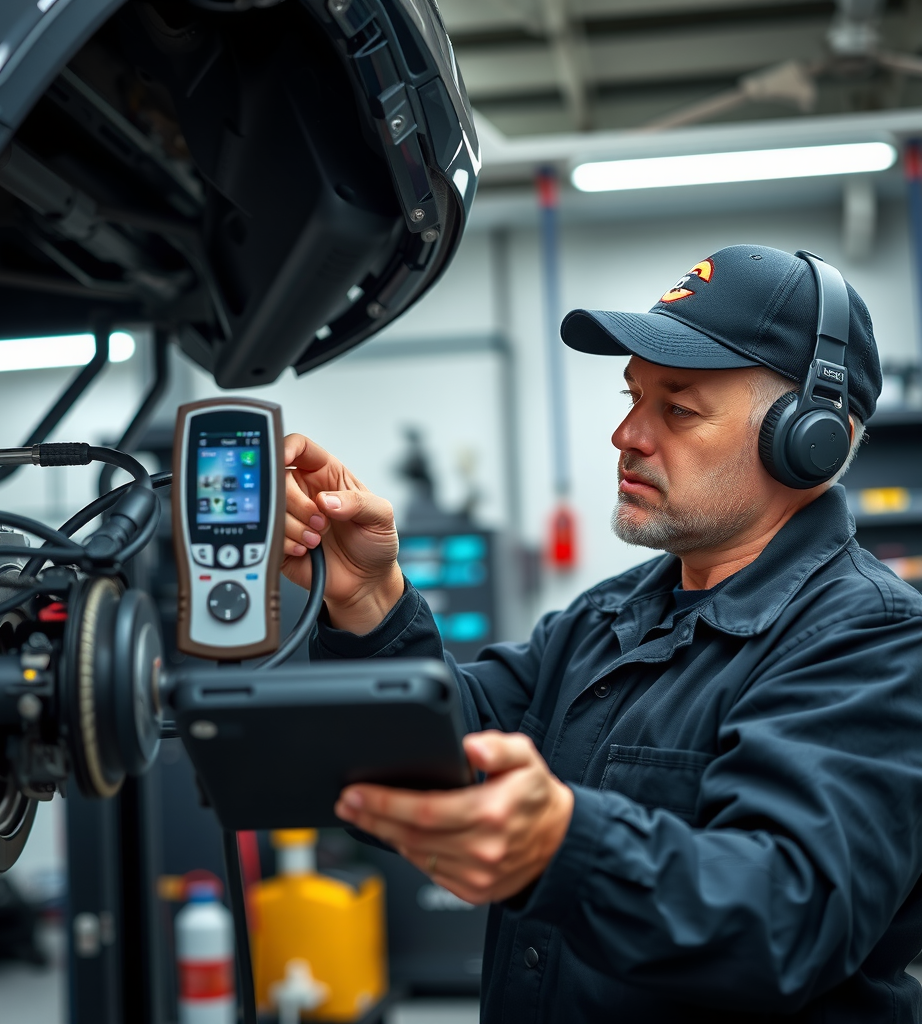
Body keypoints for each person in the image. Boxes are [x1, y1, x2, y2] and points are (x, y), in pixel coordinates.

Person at [281, 244, 922, 1022]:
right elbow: (443, 757)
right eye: (632, 398)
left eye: (677, 409)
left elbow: (785, 914)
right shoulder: (603, 617)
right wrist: (369, 601)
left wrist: (563, 845)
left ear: (808, 438)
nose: (627, 435)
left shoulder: (873, 642)